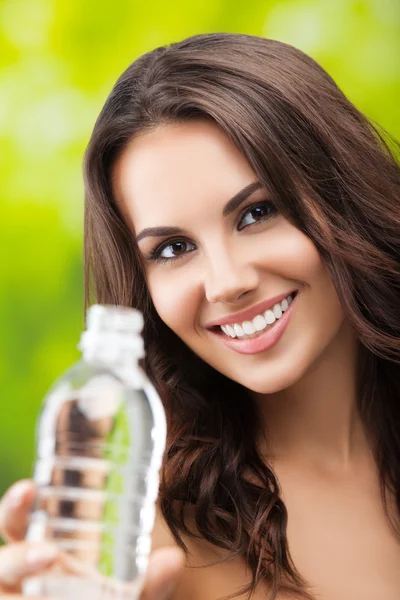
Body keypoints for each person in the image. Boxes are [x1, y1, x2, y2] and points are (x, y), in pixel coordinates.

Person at [0, 32, 399, 600]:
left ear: (343, 199)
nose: (228, 282)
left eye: (257, 212)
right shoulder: (145, 536)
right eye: (173, 250)